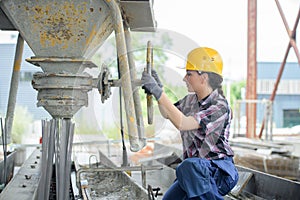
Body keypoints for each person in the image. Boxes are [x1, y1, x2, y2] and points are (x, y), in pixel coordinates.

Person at [141, 47, 239, 199]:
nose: (184, 78)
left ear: (203, 77)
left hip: (218, 172)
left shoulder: (219, 106)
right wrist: (158, 91)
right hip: (194, 172)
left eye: (189, 74)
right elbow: (167, 113)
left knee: (188, 165)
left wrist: (158, 93)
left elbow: (183, 123)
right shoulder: (190, 101)